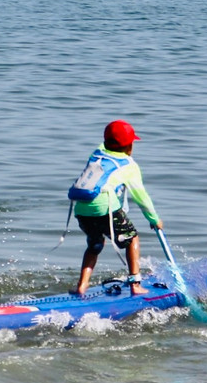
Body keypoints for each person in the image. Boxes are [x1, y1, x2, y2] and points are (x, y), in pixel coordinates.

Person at [69, 120, 162, 296]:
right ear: (130, 146)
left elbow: (105, 144)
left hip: (81, 209)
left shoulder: (96, 154)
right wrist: (154, 219)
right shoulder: (129, 166)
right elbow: (141, 196)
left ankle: (82, 286)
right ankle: (135, 284)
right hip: (106, 209)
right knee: (132, 238)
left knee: (95, 244)